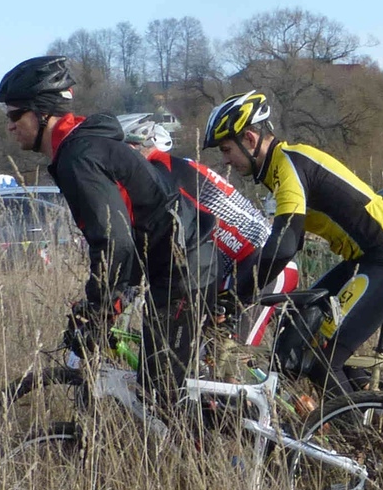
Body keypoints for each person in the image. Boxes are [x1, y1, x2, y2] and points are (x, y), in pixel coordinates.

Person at [211, 90, 383, 394]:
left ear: (249, 138)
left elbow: (283, 247)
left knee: (323, 362)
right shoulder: (279, 169)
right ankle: (371, 406)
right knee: (296, 339)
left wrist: (237, 295)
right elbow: (289, 243)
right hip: (364, 261)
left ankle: (359, 426)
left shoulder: (289, 165)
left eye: (226, 149)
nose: (226, 160)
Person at [0, 57, 192, 384]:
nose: (10, 126)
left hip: (185, 267)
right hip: (168, 262)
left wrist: (98, 308)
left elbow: (114, 241)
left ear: (42, 113)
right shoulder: (80, 146)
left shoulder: (79, 156)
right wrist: (103, 303)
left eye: (15, 115)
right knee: (162, 384)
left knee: (161, 392)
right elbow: (129, 235)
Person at [121, 115, 296, 348]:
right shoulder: (174, 165)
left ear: (133, 148)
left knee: (229, 355)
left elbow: (153, 243)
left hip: (264, 266)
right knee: (200, 353)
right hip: (236, 267)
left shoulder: (160, 176)